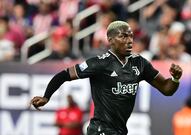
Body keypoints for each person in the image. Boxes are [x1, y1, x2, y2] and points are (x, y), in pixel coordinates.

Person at [29, 20, 183, 135]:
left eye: (131, 36)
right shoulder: (99, 63)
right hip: (100, 130)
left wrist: (175, 79)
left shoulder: (140, 63)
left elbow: (166, 89)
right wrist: (46, 96)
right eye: (123, 36)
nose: (129, 40)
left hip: (120, 131)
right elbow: (64, 75)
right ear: (110, 40)